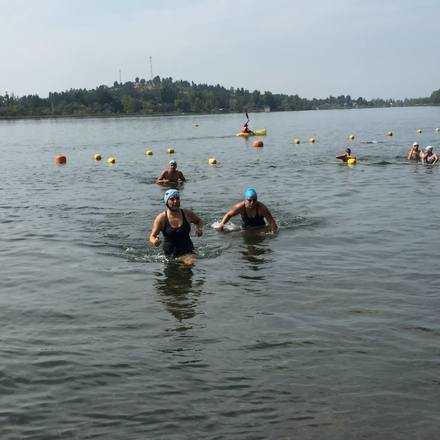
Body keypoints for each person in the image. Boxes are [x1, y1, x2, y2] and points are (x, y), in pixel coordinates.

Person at [149, 189, 203, 264]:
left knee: (189, 263)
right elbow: (152, 236)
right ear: (166, 202)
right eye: (172, 199)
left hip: (188, 251)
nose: (175, 201)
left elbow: (199, 221)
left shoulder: (187, 214)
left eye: (177, 198)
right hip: (169, 256)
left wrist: (199, 229)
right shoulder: (161, 218)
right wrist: (155, 241)